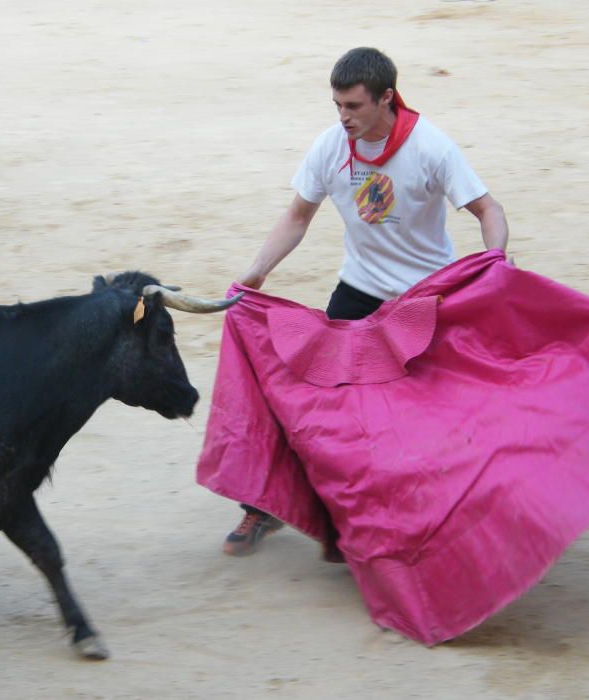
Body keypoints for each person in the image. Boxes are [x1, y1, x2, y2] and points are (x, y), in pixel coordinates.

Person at [222, 46, 509, 558]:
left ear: (386, 99)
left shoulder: (432, 148)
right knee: (309, 401)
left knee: (437, 413)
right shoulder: (331, 146)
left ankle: (447, 512)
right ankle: (264, 502)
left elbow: (488, 209)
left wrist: (496, 263)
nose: (343, 117)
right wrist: (257, 271)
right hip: (358, 291)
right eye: (337, 105)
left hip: (424, 300)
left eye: (353, 106)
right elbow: (297, 216)